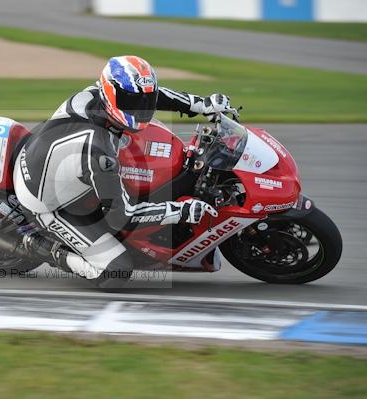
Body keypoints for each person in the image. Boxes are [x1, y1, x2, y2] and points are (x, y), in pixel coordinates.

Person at [13, 55, 231, 288]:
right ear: (111, 92)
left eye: (144, 102)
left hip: (53, 162)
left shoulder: (95, 95)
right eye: (132, 102)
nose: (142, 109)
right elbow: (122, 216)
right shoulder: (100, 151)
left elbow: (154, 96)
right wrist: (180, 210)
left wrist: (200, 104)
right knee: (116, 271)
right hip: (45, 201)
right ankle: (45, 250)